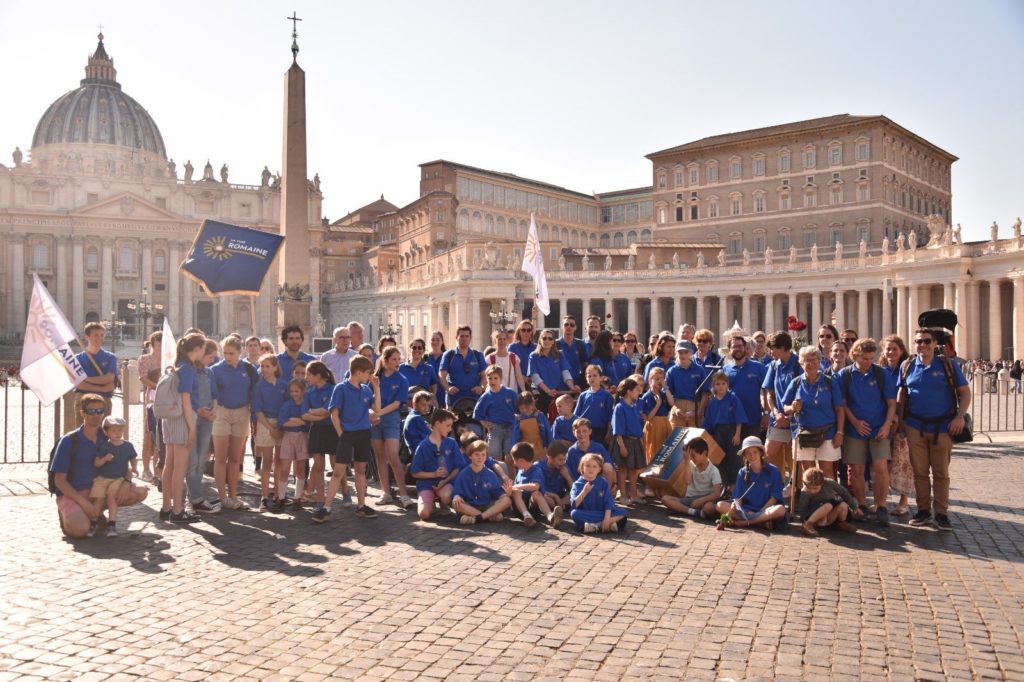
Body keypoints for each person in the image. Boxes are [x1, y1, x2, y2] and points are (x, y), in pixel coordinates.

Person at [898, 327, 971, 531]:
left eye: (926, 341)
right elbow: (901, 395)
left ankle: (941, 514)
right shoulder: (907, 365)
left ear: (934, 343)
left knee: (941, 473)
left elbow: (964, 392)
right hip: (914, 426)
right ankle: (922, 511)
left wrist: (960, 416)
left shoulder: (947, 364)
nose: (922, 345)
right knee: (919, 472)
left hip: (943, 426)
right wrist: (900, 422)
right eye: (918, 341)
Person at [51, 394, 148, 538]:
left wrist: (127, 482)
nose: (95, 415)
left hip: (100, 490)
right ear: (82, 413)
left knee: (141, 492)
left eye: (99, 411)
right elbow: (59, 480)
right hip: (74, 494)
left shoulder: (108, 437)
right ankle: (74, 514)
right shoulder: (69, 441)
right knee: (80, 530)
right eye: (91, 411)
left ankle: (96, 513)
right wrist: (83, 503)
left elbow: (125, 464)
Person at [839, 338, 897, 527]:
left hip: (879, 427)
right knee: (856, 469)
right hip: (854, 429)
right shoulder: (845, 375)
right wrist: (854, 422)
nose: (867, 362)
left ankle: (881, 506)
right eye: (864, 358)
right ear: (855, 355)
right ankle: (862, 505)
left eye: (871, 358)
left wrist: (887, 425)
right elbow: (842, 404)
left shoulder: (881, 374)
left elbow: (891, 403)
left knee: (880, 467)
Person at [316, 355, 381, 522]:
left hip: (363, 433)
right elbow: (334, 414)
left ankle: (361, 506)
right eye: (368, 373)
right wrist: (341, 434)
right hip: (347, 434)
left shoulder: (366, 389)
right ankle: (326, 507)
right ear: (358, 372)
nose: (370, 376)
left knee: (360, 470)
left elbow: (377, 409)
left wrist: (376, 387)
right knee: (338, 471)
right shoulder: (341, 388)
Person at [160, 333, 207, 524]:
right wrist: (192, 427)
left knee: (168, 465)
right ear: (197, 350)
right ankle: (178, 511)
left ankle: (166, 507)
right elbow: (186, 400)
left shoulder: (175, 364)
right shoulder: (187, 369)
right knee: (180, 467)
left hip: (170, 418)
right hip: (182, 418)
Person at [783, 346, 845, 482]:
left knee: (827, 471)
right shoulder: (796, 383)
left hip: (828, 433)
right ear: (801, 363)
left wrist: (840, 433)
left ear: (820, 361)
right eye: (807, 361)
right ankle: (811, 502)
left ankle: (828, 501)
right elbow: (785, 407)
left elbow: (840, 409)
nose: (811, 364)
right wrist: (792, 407)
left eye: (814, 360)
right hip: (804, 434)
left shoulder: (829, 382)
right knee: (808, 472)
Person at [211, 337, 257, 509]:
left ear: (240, 352)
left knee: (235, 457)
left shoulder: (249, 369)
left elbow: (255, 389)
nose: (228, 356)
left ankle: (234, 495)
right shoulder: (215, 370)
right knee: (221, 457)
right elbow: (212, 393)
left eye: (232, 353)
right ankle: (223, 497)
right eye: (225, 353)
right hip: (222, 413)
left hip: (242, 412)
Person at [372, 347, 414, 509]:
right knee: (380, 456)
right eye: (394, 359)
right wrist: (372, 413)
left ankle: (403, 494)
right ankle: (386, 492)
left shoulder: (402, 379)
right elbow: (368, 398)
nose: (397, 362)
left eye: (399, 359)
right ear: (385, 360)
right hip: (375, 421)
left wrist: (379, 413)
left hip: (391, 419)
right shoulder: (375, 378)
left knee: (393, 456)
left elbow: (397, 403)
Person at [714, 436, 786, 530]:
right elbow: (738, 498)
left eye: (755, 452)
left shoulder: (773, 471)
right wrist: (735, 505)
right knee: (720, 505)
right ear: (744, 456)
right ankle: (760, 522)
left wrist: (761, 511)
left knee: (780, 510)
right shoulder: (742, 472)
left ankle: (747, 523)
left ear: (761, 453)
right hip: (746, 510)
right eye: (748, 453)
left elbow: (774, 498)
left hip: (765, 509)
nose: (752, 456)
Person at [409, 408, 465, 521]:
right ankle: (430, 503)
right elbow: (415, 473)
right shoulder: (423, 446)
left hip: (445, 484)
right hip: (426, 485)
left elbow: (458, 467)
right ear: (437, 424)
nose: (450, 429)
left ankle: (446, 504)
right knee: (424, 514)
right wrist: (434, 474)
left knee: (446, 496)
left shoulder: (451, 443)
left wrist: (445, 480)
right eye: (448, 425)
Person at [87, 416, 138, 537]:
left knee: (112, 499)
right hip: (102, 478)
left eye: (120, 430)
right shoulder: (105, 446)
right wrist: (105, 459)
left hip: (118, 479)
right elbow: (96, 463)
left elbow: (133, 458)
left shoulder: (128, 446)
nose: (117, 433)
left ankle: (112, 524)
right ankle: (93, 522)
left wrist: (134, 467)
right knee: (98, 500)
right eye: (113, 431)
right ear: (107, 432)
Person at [762, 331, 802, 477]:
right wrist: (775, 413)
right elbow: (769, 394)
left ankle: (796, 491)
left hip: (796, 420)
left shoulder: (798, 364)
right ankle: (773, 487)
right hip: (778, 418)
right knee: (768, 454)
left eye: (773, 348)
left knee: (796, 459)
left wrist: (790, 413)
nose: (770, 352)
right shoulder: (774, 366)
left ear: (783, 347)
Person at [186, 340, 220, 514]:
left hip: (207, 418)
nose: (212, 360)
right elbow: (187, 396)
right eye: (210, 357)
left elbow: (215, 394)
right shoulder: (188, 370)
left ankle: (194, 496)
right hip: (193, 417)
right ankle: (195, 498)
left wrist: (213, 409)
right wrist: (200, 411)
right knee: (191, 461)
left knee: (201, 460)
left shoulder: (209, 372)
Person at [881, 334, 912, 516]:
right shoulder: (881, 371)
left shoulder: (907, 369)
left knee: (903, 462)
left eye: (894, 348)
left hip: (901, 421)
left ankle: (904, 501)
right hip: (884, 420)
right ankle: (881, 500)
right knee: (883, 462)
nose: (891, 352)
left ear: (901, 350)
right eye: (888, 348)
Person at [253, 354, 289, 507]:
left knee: (280, 461)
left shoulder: (283, 385)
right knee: (267, 461)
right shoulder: (259, 386)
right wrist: (270, 428)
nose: (265, 369)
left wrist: (280, 426)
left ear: (275, 367)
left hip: (281, 424)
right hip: (265, 424)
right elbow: (258, 410)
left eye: (268, 366)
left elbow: (288, 406)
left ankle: (279, 494)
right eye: (262, 366)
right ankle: (265, 496)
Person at [702, 372, 747, 491]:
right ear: (713, 386)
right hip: (718, 432)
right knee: (720, 459)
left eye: (723, 383)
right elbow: (708, 422)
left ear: (727, 385)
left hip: (731, 430)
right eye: (717, 384)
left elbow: (739, 418)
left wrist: (737, 434)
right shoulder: (712, 402)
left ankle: (735, 485)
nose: (721, 386)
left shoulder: (733, 398)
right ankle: (724, 484)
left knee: (734, 458)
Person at [302, 361, 338, 506]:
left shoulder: (333, 389)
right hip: (316, 430)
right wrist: (318, 414)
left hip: (332, 429)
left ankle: (345, 491)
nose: (306, 377)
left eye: (308, 374)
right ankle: (320, 497)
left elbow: (328, 410)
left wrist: (314, 411)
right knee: (318, 464)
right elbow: (304, 414)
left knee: (337, 464)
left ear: (318, 375)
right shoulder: (309, 391)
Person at [451, 439, 512, 525]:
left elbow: (498, 493)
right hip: (471, 506)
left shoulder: (490, 474)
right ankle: (489, 516)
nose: (480, 457)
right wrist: (457, 496)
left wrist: (506, 494)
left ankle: (477, 518)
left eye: (483, 455)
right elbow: (457, 492)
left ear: (486, 457)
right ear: (470, 456)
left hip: (487, 505)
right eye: (477, 454)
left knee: (507, 500)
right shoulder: (463, 474)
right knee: (456, 503)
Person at [722, 334, 769, 441]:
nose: (737, 349)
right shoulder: (725, 370)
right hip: (731, 420)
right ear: (729, 350)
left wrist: (766, 413)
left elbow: (767, 391)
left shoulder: (758, 367)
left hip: (752, 419)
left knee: (752, 452)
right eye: (734, 347)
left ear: (745, 348)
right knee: (734, 455)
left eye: (740, 346)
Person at [660, 438, 721, 520]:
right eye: (690, 455)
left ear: (704, 453)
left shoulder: (714, 470)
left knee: (709, 508)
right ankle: (693, 512)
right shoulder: (690, 464)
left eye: (693, 455)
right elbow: (687, 481)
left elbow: (717, 494)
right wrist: (686, 461)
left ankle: (688, 510)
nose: (691, 458)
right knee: (665, 499)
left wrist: (700, 501)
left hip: (705, 500)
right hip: (690, 499)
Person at [472, 366, 519, 471]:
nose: (492, 381)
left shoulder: (510, 393)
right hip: (495, 428)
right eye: (490, 378)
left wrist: (517, 419)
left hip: (510, 427)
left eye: (495, 378)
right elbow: (477, 414)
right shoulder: (486, 397)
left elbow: (519, 409)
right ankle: (497, 481)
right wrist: (484, 423)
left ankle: (511, 481)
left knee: (510, 457)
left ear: (501, 379)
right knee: (494, 457)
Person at [508, 442, 564, 528]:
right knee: (516, 492)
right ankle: (527, 516)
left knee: (536, 493)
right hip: (520, 508)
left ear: (521, 461)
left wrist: (516, 487)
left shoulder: (536, 470)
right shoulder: (520, 471)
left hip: (533, 506)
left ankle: (550, 517)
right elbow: (514, 491)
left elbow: (535, 486)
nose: (514, 463)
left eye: (514, 460)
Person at [570, 453, 628, 533]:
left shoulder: (603, 482)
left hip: (602, 513)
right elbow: (574, 505)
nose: (591, 469)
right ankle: (605, 525)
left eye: (594, 466)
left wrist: (607, 518)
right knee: (574, 514)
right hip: (587, 513)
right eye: (587, 466)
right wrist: (584, 492)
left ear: (599, 469)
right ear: (582, 467)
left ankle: (596, 526)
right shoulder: (577, 484)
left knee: (623, 512)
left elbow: (608, 501)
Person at [73, 322, 119, 421]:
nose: (99, 338)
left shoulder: (110, 357)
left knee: (103, 432)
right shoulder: (77, 359)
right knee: (82, 431)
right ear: (87, 337)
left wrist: (86, 379)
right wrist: (103, 388)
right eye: (96, 335)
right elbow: (79, 384)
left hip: (104, 400)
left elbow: (108, 378)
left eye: (102, 335)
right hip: (83, 399)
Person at [795, 466, 860, 536]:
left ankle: (841, 523)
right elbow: (803, 508)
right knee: (828, 506)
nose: (812, 491)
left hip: (829, 518)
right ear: (805, 484)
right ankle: (808, 524)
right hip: (815, 518)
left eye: (815, 488)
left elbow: (843, 492)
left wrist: (854, 507)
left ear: (822, 483)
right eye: (809, 488)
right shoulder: (805, 492)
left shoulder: (830, 483)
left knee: (843, 505)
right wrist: (803, 521)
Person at [276, 379, 310, 507]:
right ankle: (281, 497)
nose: (294, 393)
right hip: (288, 437)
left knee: (300, 470)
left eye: (297, 391)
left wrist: (293, 420)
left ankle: (297, 498)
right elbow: (283, 422)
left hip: (302, 437)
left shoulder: (306, 405)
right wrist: (299, 421)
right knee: (285, 469)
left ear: (303, 391)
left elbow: (307, 422)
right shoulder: (287, 405)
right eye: (291, 391)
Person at [612, 377, 645, 504]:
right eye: (636, 390)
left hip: (635, 442)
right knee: (623, 470)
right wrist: (622, 446)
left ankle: (634, 495)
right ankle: (624, 496)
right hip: (625, 442)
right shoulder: (620, 407)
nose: (638, 393)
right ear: (629, 392)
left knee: (633, 470)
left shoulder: (634, 406)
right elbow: (618, 430)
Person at [528, 329, 576, 416]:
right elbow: (535, 376)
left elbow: (565, 372)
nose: (547, 340)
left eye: (550, 339)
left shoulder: (559, 354)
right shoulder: (533, 356)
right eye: (544, 338)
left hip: (559, 394)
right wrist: (548, 391)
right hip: (542, 395)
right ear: (540, 340)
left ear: (553, 342)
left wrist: (572, 387)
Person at [439, 325, 486, 408]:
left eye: (467, 336)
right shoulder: (449, 355)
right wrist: (448, 388)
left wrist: (481, 387)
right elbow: (442, 376)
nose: (464, 339)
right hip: (454, 401)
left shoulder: (478, 355)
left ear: (470, 338)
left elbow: (484, 375)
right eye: (461, 336)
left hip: (474, 401)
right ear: (456, 337)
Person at [136, 331, 162, 482]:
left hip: (165, 398)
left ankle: (157, 468)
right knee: (148, 431)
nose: (161, 348)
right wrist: (158, 386)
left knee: (161, 434)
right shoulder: (144, 359)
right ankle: (146, 468)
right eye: (159, 344)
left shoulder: (169, 358)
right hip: (151, 397)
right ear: (153, 344)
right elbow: (142, 378)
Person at [665, 340, 707, 429]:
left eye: (686, 352)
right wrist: (675, 409)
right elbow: (668, 393)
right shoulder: (672, 371)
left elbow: (705, 393)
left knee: (695, 441)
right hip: (677, 407)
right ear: (676, 353)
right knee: (676, 440)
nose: (683, 355)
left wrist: (698, 412)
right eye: (680, 352)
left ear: (691, 353)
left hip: (695, 406)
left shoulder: (699, 370)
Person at [566, 417, 616, 491]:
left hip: (598, 483)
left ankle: (605, 494)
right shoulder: (572, 451)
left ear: (590, 431)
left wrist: (615, 483)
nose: (581, 434)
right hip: (581, 485)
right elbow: (569, 472)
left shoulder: (599, 447)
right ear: (574, 433)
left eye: (584, 431)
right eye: (578, 432)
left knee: (607, 466)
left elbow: (610, 467)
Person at [573, 364, 614, 445]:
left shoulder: (607, 395)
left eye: (595, 375)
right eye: (589, 376)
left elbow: (610, 417)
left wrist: (609, 432)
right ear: (586, 379)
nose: (592, 378)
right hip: (584, 431)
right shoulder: (583, 395)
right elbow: (576, 416)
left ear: (600, 378)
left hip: (600, 431)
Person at [640, 366, 672, 464]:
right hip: (654, 425)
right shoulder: (647, 396)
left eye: (662, 378)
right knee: (653, 450)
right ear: (650, 380)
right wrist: (658, 404)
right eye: (657, 379)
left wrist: (666, 388)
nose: (660, 381)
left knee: (666, 450)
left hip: (665, 422)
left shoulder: (664, 393)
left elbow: (671, 403)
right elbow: (649, 417)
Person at [510, 391, 552, 459]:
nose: (525, 410)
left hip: (540, 447)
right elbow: (514, 436)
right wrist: (514, 450)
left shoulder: (539, 416)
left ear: (533, 404)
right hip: (525, 449)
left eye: (527, 407)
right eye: (522, 408)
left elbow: (548, 432)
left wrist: (550, 447)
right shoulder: (518, 419)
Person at [557, 315, 588, 387]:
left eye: (572, 325)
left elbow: (585, 365)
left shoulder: (580, 344)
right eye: (566, 324)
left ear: (575, 327)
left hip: (578, 384)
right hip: (560, 385)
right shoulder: (555, 344)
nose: (569, 327)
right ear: (562, 326)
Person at [403, 390, 433, 458]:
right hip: (421, 452)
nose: (426, 408)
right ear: (414, 404)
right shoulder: (416, 418)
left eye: (428, 405)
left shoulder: (412, 416)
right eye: (423, 405)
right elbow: (432, 436)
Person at [426, 331, 448, 407]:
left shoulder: (447, 357)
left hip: (444, 393)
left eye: (437, 339)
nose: (435, 342)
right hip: (429, 394)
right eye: (433, 339)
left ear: (442, 341)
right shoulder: (425, 358)